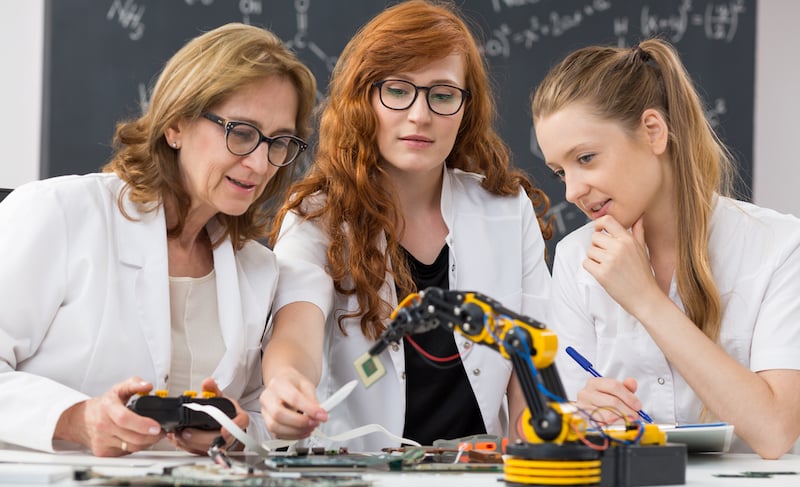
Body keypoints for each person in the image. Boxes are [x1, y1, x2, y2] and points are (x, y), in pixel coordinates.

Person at [0, 23, 316, 456]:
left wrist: (232, 432)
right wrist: (76, 419)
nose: (261, 164)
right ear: (175, 125)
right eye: (241, 133)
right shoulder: (59, 213)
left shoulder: (255, 268)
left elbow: (250, 415)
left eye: (279, 142)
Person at [259, 0, 552, 452]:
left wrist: (533, 460)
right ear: (363, 99)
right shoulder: (318, 217)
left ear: (465, 108)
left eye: (442, 94)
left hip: (479, 475)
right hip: (368, 473)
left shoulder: (507, 211)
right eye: (397, 91)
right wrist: (286, 384)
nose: (420, 115)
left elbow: (529, 364)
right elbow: (295, 329)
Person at [531, 38, 800, 458]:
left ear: (653, 132)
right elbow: (565, 423)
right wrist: (587, 414)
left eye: (585, 158)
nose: (572, 191)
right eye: (559, 171)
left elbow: (774, 432)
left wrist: (645, 300)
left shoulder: (779, 246)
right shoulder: (574, 257)